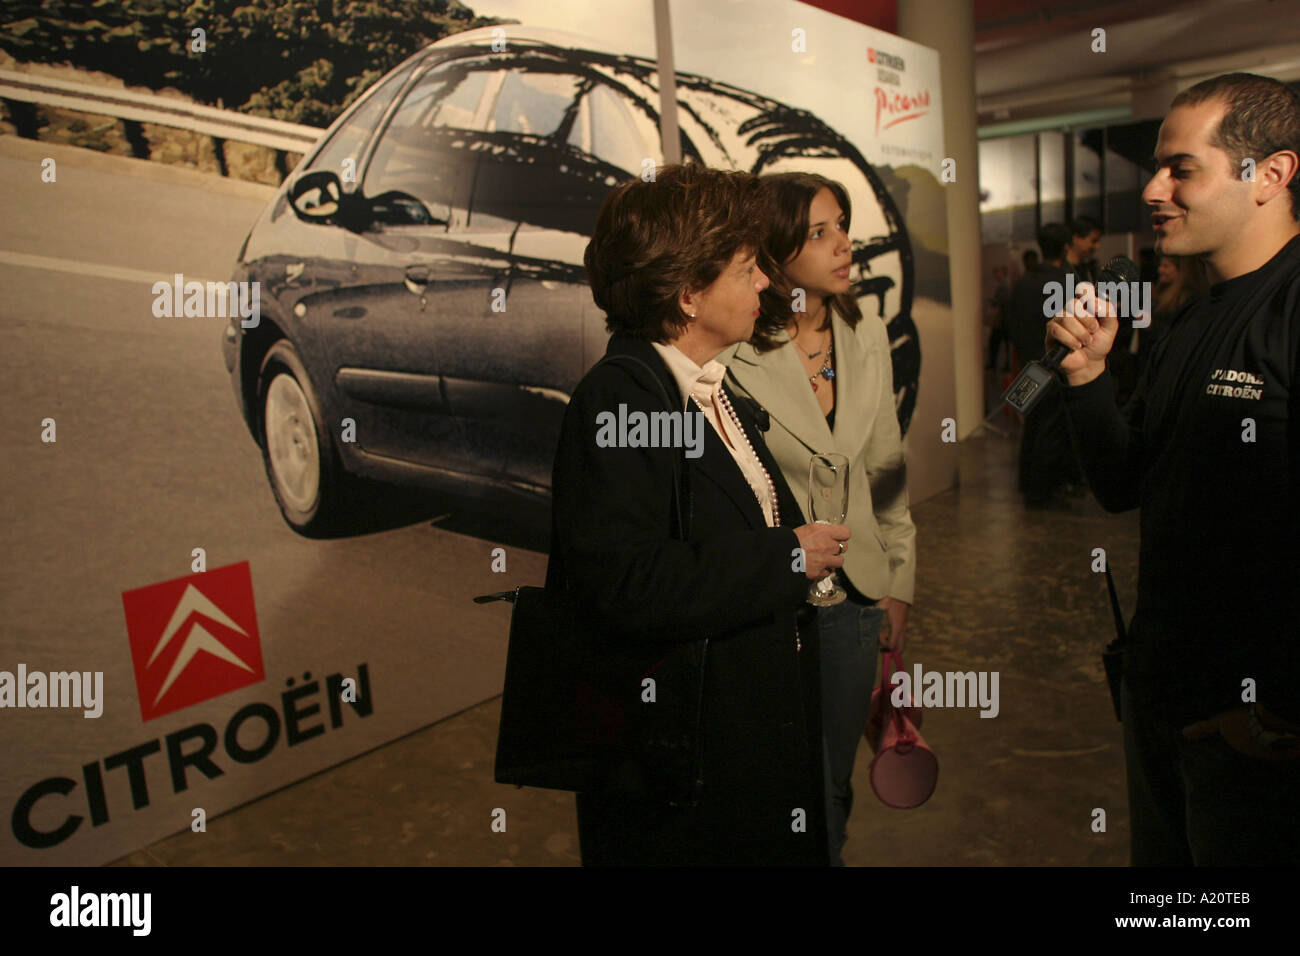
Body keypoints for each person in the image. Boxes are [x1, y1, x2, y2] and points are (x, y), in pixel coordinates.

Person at [549, 163, 850, 866]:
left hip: (739, 745)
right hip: (682, 777)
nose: (766, 283)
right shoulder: (622, 402)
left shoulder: (709, 390)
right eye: (746, 269)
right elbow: (629, 581)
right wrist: (788, 558)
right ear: (688, 293)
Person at [1049, 72, 1300, 865]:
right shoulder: (1189, 320)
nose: (1154, 189)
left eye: (1181, 169)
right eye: (1157, 168)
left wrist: (1276, 711)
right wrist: (1089, 380)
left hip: (1254, 733)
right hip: (1162, 699)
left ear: (1271, 174)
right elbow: (1127, 486)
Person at [723, 172, 916, 866]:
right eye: (820, 233)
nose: (845, 245)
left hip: (857, 596)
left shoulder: (864, 335)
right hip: (772, 602)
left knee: (832, 778)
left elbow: (886, 472)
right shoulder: (734, 351)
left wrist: (898, 581)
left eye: (844, 226)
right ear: (773, 256)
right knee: (779, 772)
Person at [1006, 222, 1082, 508]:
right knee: (1051, 429)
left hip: (1029, 364)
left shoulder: (1024, 283)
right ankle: (1042, 491)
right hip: (1056, 367)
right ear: (1065, 247)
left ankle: (1030, 486)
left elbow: (1012, 323)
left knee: (1033, 426)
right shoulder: (1067, 283)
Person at [1134, 254, 1208, 377]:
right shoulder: (1161, 292)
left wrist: (1152, 325)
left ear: (1181, 271)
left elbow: (1181, 334)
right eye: (1160, 265)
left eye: (1166, 266)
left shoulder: (1187, 298)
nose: (1160, 270)